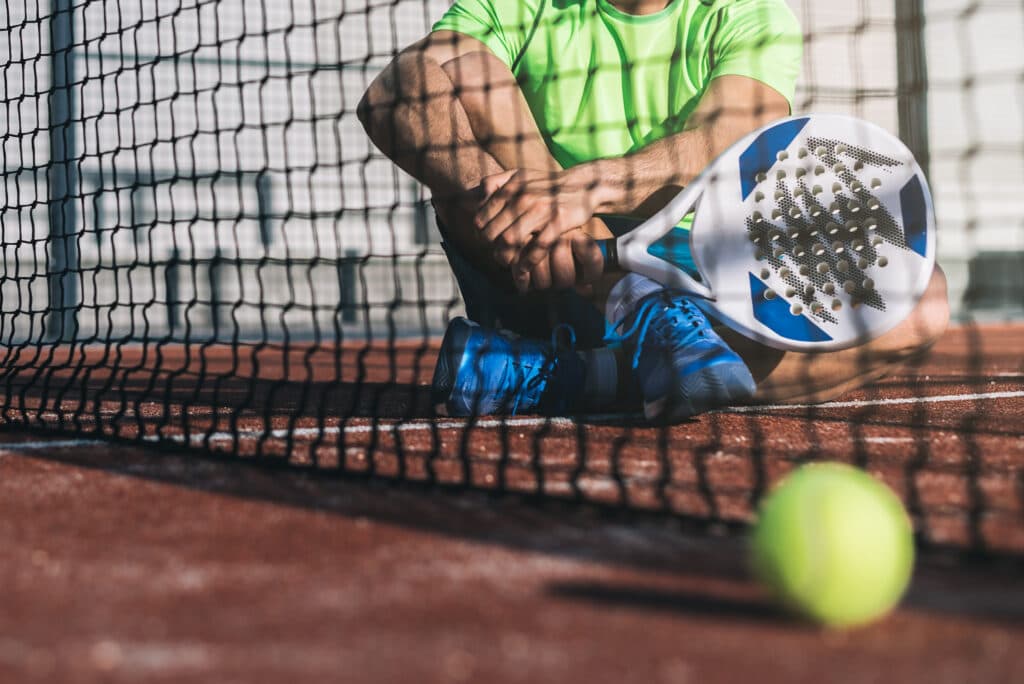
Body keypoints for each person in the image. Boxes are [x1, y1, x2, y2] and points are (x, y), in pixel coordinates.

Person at [358, 0, 949, 422]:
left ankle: (585, 377)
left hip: (697, 301)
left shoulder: (747, 12)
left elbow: (736, 128)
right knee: (468, 71)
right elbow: (394, 91)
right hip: (543, 273)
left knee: (922, 304)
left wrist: (595, 184)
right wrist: (515, 199)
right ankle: (627, 305)